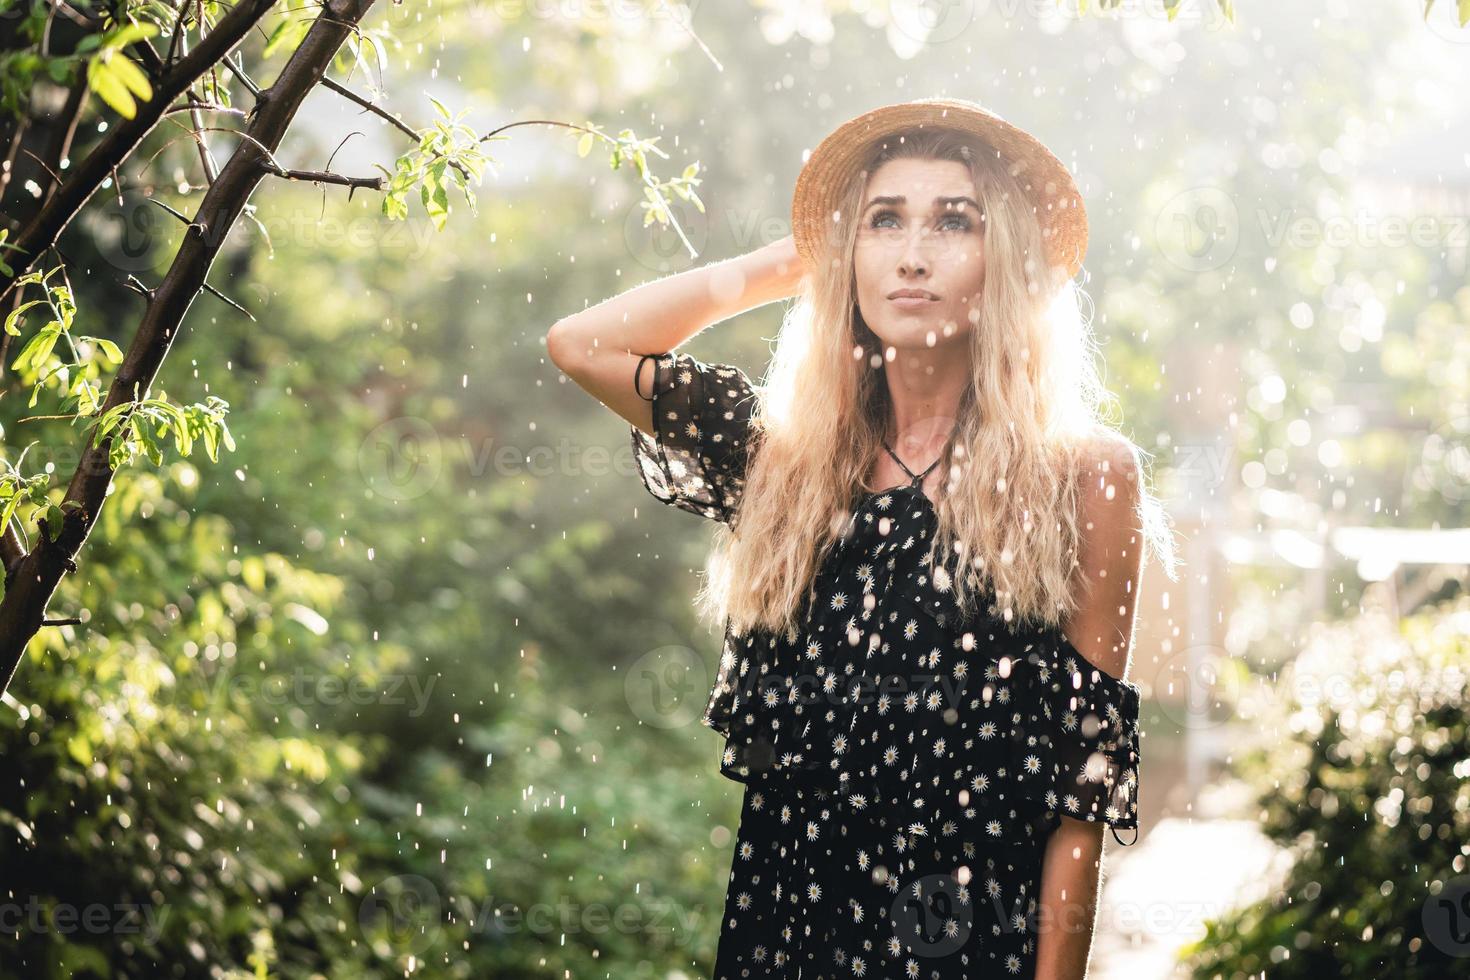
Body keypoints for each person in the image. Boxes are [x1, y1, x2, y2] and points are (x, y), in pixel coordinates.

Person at [549, 97, 1180, 980]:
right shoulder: (786, 466)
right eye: (884, 222)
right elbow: (581, 345)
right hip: (788, 934)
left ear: (1003, 260)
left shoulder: (1083, 474)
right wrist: (792, 262)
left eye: (954, 222)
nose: (913, 254)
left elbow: (1082, 789)